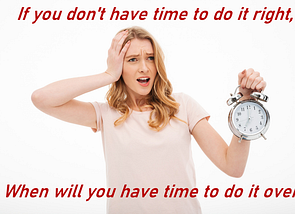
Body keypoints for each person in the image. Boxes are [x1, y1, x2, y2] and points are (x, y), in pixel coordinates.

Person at [31, 26, 266, 214]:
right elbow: (42, 99)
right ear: (119, 66)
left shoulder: (183, 106)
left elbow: (232, 167)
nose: (144, 68)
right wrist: (107, 75)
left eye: (150, 58)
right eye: (132, 59)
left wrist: (246, 104)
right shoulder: (105, 114)